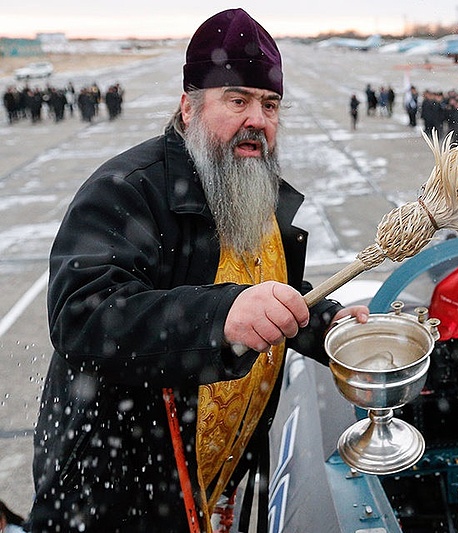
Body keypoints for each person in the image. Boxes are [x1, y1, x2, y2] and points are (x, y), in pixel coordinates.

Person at [29, 9, 368, 533]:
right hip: (119, 496)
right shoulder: (127, 189)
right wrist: (220, 317)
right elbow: (82, 315)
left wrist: (329, 323)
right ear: (188, 107)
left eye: (270, 104)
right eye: (237, 100)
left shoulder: (249, 185)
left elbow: (269, 287)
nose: (258, 119)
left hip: (211, 482)